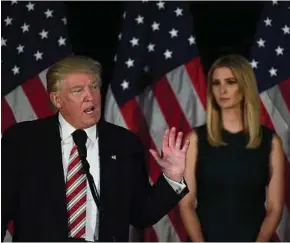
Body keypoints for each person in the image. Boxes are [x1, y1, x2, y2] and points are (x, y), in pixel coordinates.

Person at [1, 55, 190, 242]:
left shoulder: (124, 143)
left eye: (93, 87)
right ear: (57, 100)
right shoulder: (23, 141)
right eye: (78, 90)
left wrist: (172, 178)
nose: (89, 97)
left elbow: (141, 214)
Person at [179, 54, 285, 242]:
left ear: (245, 87)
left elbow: (275, 208)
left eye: (230, 82)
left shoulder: (271, 143)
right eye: (216, 83)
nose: (222, 90)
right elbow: (186, 203)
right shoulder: (195, 140)